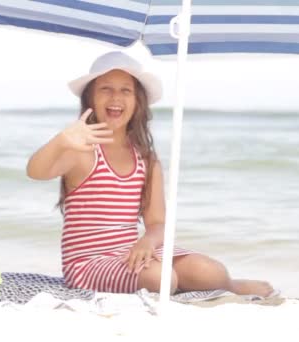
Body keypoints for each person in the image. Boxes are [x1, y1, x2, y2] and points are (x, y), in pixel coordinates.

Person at [27, 51, 273, 297]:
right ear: (90, 97)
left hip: (132, 251)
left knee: (211, 271)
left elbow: (157, 223)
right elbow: (36, 171)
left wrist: (147, 241)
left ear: (138, 102)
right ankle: (169, 283)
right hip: (88, 265)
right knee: (161, 278)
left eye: (126, 90)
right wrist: (61, 141)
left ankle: (231, 287)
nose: (116, 97)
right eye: (105, 89)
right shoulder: (81, 151)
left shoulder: (146, 160)